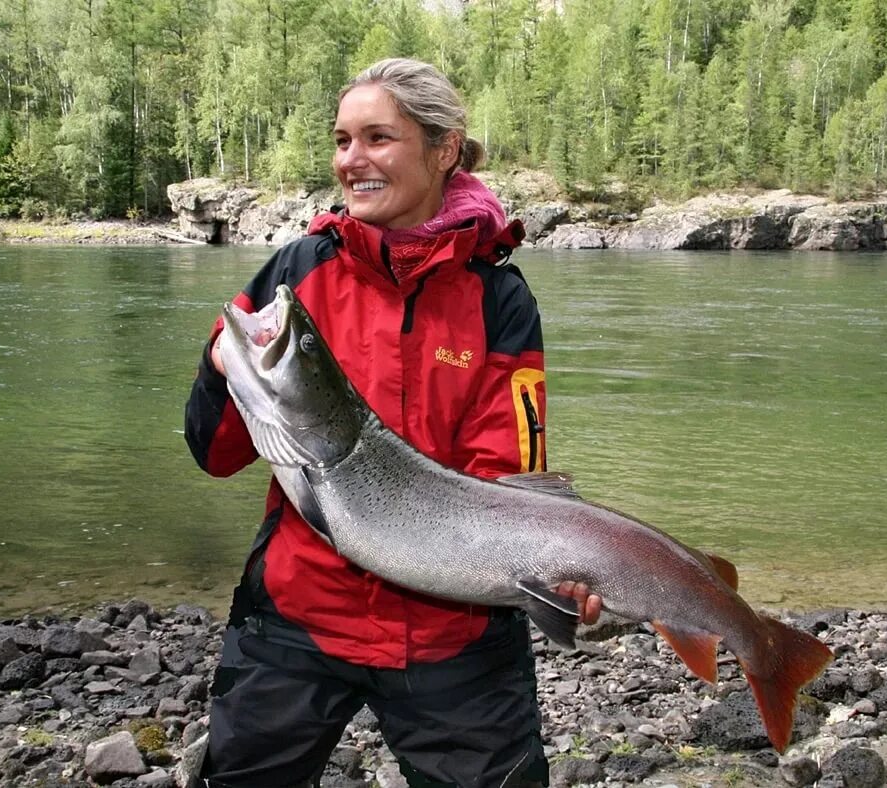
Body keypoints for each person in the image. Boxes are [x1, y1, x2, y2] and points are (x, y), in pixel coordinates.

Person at [184, 58, 601, 788]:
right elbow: (213, 455)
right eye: (342, 140)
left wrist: (558, 574)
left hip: (454, 636)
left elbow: (506, 478)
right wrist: (220, 370)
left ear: (443, 149)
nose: (353, 161)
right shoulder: (295, 274)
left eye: (378, 138)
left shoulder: (498, 299)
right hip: (295, 618)